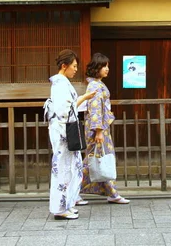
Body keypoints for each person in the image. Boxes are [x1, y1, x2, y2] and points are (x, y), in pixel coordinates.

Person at [45, 49, 96, 220]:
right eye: (73, 66)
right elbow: (64, 110)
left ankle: (67, 204)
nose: (76, 69)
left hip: (64, 129)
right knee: (64, 168)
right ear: (64, 66)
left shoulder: (62, 82)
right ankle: (60, 207)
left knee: (72, 166)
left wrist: (81, 99)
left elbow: (69, 107)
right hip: (62, 131)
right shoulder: (60, 83)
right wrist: (83, 98)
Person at [77, 53, 130, 205]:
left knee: (102, 158)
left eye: (108, 66)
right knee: (93, 160)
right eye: (104, 66)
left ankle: (112, 193)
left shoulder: (97, 84)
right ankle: (72, 192)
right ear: (97, 68)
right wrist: (98, 130)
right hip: (97, 129)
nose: (107, 69)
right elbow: (95, 109)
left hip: (100, 127)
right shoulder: (94, 86)